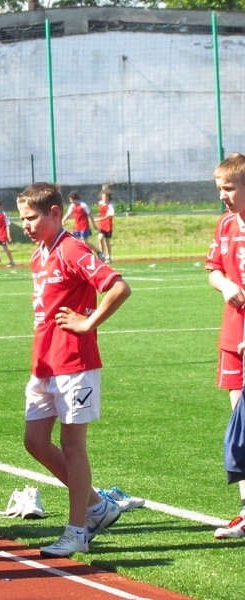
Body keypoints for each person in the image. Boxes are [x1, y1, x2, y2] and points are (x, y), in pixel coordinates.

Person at [16, 182, 131, 558]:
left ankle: (77, 531)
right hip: (44, 364)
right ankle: (98, 506)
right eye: (22, 219)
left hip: (74, 364)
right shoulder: (39, 255)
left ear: (54, 213)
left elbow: (118, 287)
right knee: (34, 441)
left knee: (72, 445)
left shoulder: (72, 248)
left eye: (31, 218)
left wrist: (88, 323)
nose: (25, 225)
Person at [205, 152, 245, 539]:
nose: (222, 195)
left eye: (229, 188)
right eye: (219, 188)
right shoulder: (225, 224)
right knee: (240, 423)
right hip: (233, 334)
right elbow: (213, 270)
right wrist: (226, 284)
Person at [63, 191, 102, 257]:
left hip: (84, 226)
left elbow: (90, 215)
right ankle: (81, 255)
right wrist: (63, 221)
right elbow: (68, 215)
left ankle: (98, 252)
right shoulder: (72, 206)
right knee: (76, 242)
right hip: (76, 227)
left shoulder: (83, 205)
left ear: (74, 198)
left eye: (70, 199)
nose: (70, 201)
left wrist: (94, 225)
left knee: (85, 243)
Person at [96, 186, 115, 263]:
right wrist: (99, 216)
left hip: (108, 225)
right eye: (103, 196)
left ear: (108, 197)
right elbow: (102, 212)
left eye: (106, 197)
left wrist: (98, 219)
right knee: (100, 238)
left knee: (107, 242)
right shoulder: (100, 203)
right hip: (101, 225)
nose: (105, 198)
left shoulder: (111, 205)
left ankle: (109, 257)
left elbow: (108, 216)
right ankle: (102, 255)